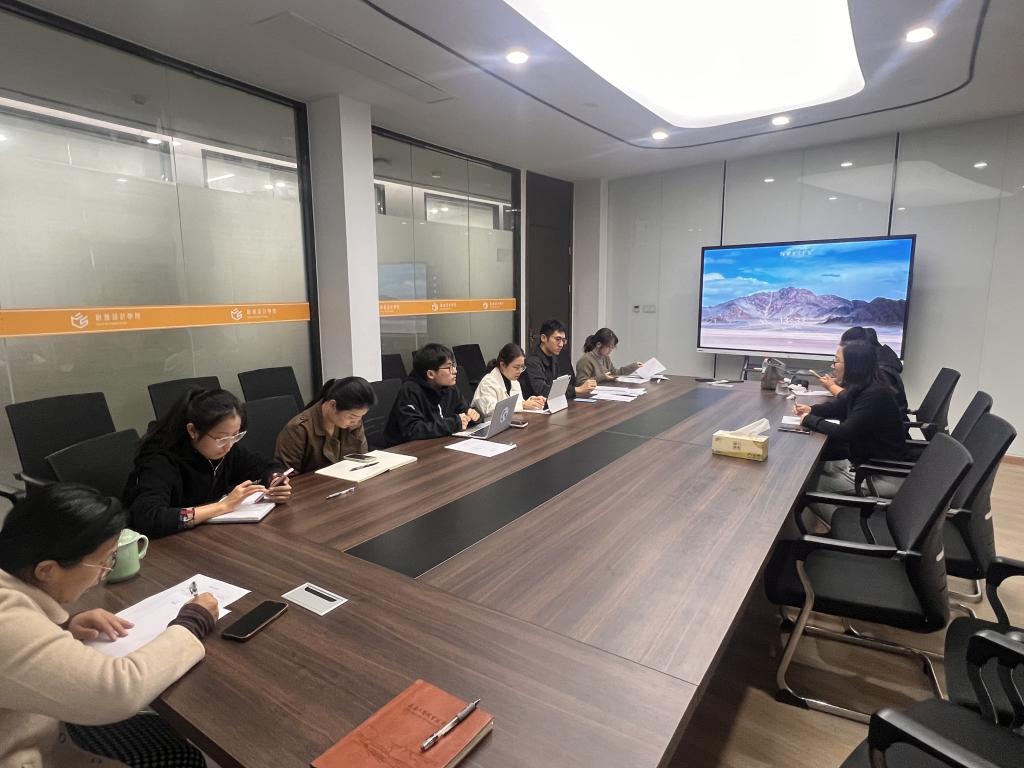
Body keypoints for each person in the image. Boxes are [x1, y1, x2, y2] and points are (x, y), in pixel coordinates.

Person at [0, 483, 219, 768]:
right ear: (47, 570)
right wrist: (192, 621)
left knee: (169, 743)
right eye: (103, 563)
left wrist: (63, 629)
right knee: (178, 752)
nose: (104, 574)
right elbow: (118, 691)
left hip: (45, 736)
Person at [124, 388, 290, 538]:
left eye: (236, 436)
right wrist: (223, 506)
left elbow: (266, 466)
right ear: (193, 431)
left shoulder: (227, 449)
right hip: (162, 546)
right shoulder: (160, 460)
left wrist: (275, 479)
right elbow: (149, 518)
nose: (229, 445)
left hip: (207, 536)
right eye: (222, 438)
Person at [795, 341, 911, 519]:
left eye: (836, 361)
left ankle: (840, 528)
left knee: (806, 483)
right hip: (867, 463)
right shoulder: (865, 386)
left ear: (852, 365)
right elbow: (839, 407)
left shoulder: (875, 395)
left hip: (883, 475)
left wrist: (809, 420)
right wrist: (812, 410)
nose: (833, 366)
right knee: (812, 467)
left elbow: (844, 432)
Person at [382, 343, 480, 446]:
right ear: (431, 374)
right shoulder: (410, 390)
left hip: (438, 443)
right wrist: (454, 423)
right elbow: (413, 430)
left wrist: (474, 416)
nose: (455, 371)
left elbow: (464, 411)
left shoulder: (450, 388)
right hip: (405, 449)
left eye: (454, 365)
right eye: (449, 367)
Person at [276, 377, 376, 473]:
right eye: (352, 416)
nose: (356, 421)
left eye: (361, 416)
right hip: (315, 483)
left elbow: (362, 459)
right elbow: (288, 475)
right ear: (333, 405)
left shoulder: (354, 424)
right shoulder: (299, 429)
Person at [817, 326, 908, 411]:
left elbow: (860, 400)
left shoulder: (882, 372)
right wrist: (841, 382)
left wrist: (832, 387)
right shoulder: (877, 363)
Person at [522, 319, 596, 400]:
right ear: (543, 338)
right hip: (535, 405)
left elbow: (556, 385)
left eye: (563, 340)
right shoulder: (532, 361)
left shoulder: (554, 356)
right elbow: (542, 390)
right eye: (557, 339)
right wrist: (577, 389)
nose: (561, 344)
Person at [472, 343, 547, 418]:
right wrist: (522, 405)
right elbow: (489, 411)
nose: (520, 371)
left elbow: (518, 404)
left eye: (522, 367)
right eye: (516, 367)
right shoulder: (487, 383)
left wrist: (532, 401)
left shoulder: (514, 381)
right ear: (502, 365)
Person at [575, 328, 642, 383]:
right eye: (609, 347)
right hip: (590, 394)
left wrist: (633, 366)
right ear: (598, 344)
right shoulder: (585, 360)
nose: (611, 350)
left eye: (613, 347)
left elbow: (614, 373)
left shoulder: (605, 357)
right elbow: (581, 383)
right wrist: (602, 378)